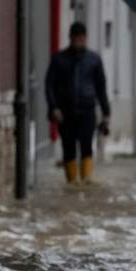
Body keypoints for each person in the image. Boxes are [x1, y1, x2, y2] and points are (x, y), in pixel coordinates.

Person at [46, 22, 110, 183]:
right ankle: (72, 182)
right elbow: (49, 86)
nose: (78, 42)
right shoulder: (59, 59)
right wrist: (54, 107)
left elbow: (101, 88)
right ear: (70, 38)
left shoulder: (94, 60)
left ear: (85, 39)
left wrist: (106, 112)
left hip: (87, 111)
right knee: (68, 147)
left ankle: (86, 179)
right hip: (65, 111)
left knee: (87, 146)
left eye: (81, 39)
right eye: (75, 39)